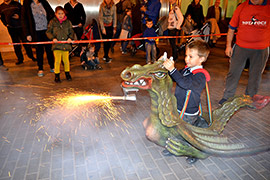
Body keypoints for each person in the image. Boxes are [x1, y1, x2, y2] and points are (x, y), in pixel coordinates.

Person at [162, 40, 210, 163]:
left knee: (188, 135)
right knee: (176, 130)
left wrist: (173, 70)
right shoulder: (187, 69)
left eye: (191, 56)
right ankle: (175, 148)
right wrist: (169, 69)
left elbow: (185, 83)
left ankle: (194, 152)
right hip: (179, 108)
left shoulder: (200, 76)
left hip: (189, 112)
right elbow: (177, 78)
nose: (187, 59)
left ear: (202, 59)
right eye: (186, 55)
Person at [219, 0, 270, 105]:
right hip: (241, 47)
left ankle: (250, 97)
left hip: (261, 49)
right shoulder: (242, 7)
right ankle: (227, 97)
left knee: (255, 75)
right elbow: (231, 28)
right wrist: (228, 46)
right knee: (233, 72)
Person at [21, 0, 55, 77]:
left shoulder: (44, 2)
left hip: (47, 31)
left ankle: (52, 66)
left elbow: (52, 14)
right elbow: (24, 19)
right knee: (39, 51)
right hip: (35, 31)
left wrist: (52, 28)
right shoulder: (27, 3)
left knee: (49, 50)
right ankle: (40, 68)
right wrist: (27, 34)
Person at [0, 0, 36, 65]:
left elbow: (23, 13)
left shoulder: (17, 4)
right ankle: (20, 59)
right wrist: (6, 24)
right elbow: (2, 17)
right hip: (11, 28)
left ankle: (31, 56)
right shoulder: (1, 7)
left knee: (26, 42)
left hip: (20, 27)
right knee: (16, 44)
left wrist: (19, 17)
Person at [46, 6, 74, 83]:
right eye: (59, 14)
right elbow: (48, 32)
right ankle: (57, 76)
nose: (61, 15)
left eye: (62, 13)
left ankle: (67, 74)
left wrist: (70, 38)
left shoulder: (68, 22)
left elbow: (71, 31)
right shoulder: (52, 22)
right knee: (57, 61)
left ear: (64, 14)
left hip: (66, 45)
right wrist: (52, 38)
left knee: (66, 61)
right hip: (57, 46)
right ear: (55, 14)